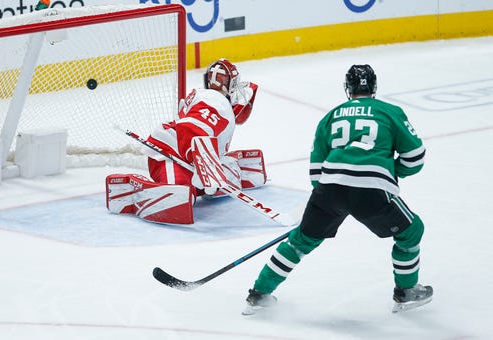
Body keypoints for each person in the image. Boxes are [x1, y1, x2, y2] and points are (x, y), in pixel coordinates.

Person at [243, 64, 432, 315]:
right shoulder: (390, 112)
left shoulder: (331, 116)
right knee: (411, 231)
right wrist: (389, 170)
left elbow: (316, 170)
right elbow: (415, 157)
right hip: (372, 190)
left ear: (348, 88)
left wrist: (326, 201)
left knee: (300, 241)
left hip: (330, 188)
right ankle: (406, 291)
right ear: (374, 87)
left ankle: (259, 294)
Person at [106, 58, 266, 224]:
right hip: (170, 156)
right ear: (230, 86)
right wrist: (203, 165)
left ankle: (212, 177)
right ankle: (136, 193)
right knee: (181, 199)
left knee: (209, 189)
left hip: (192, 162)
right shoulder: (216, 101)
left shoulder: (208, 98)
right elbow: (192, 128)